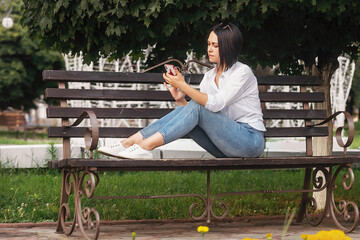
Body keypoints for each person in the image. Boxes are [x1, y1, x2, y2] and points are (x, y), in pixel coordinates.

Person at [98, 23, 266, 159]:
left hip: (249, 141)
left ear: (228, 47)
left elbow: (215, 104)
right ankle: (130, 142)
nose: (209, 49)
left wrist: (184, 86)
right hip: (223, 146)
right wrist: (180, 99)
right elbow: (198, 115)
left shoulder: (242, 72)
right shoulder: (209, 77)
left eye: (215, 45)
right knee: (184, 109)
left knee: (198, 106)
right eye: (208, 44)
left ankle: (143, 145)